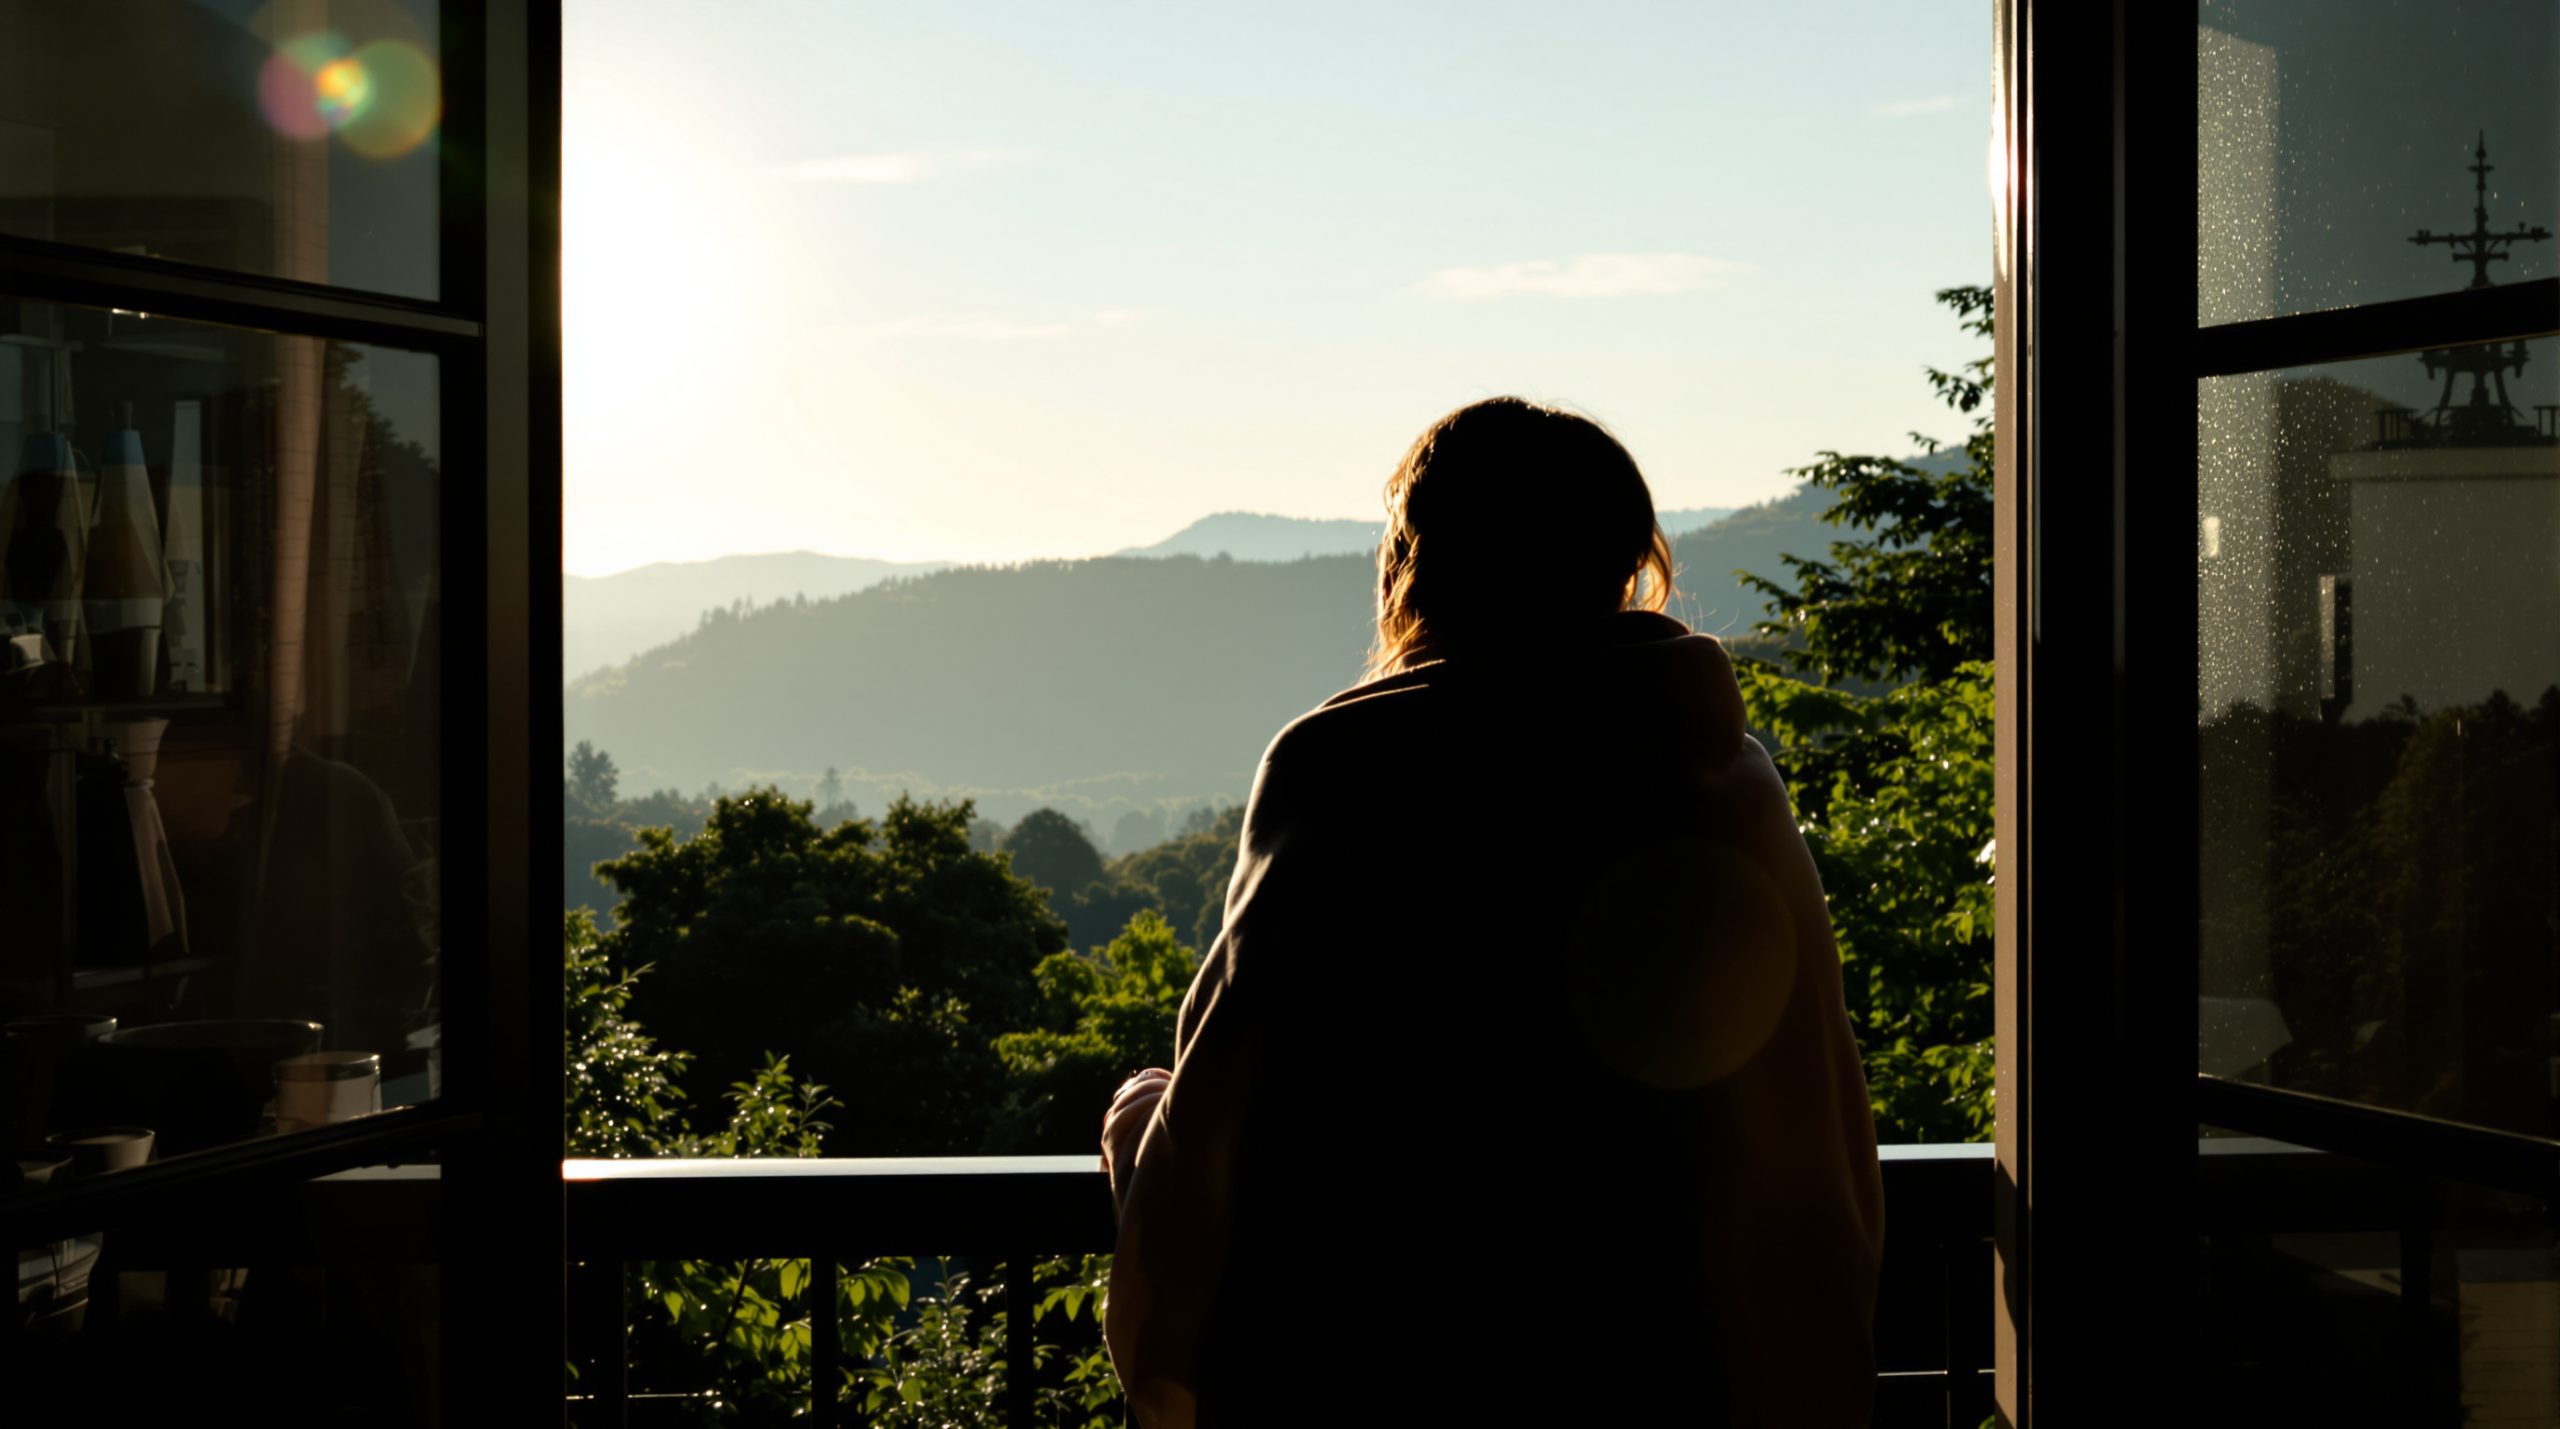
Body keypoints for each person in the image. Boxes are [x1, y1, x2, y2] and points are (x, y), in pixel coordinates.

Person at [1097, 397, 1885, 1427]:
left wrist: (1135, 1126)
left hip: (1390, 1367)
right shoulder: (1722, 781)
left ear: (1417, 564)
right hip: (1680, 1368)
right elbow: (1811, 1118)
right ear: (1622, 561)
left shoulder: (1345, 772)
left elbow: (1223, 1121)